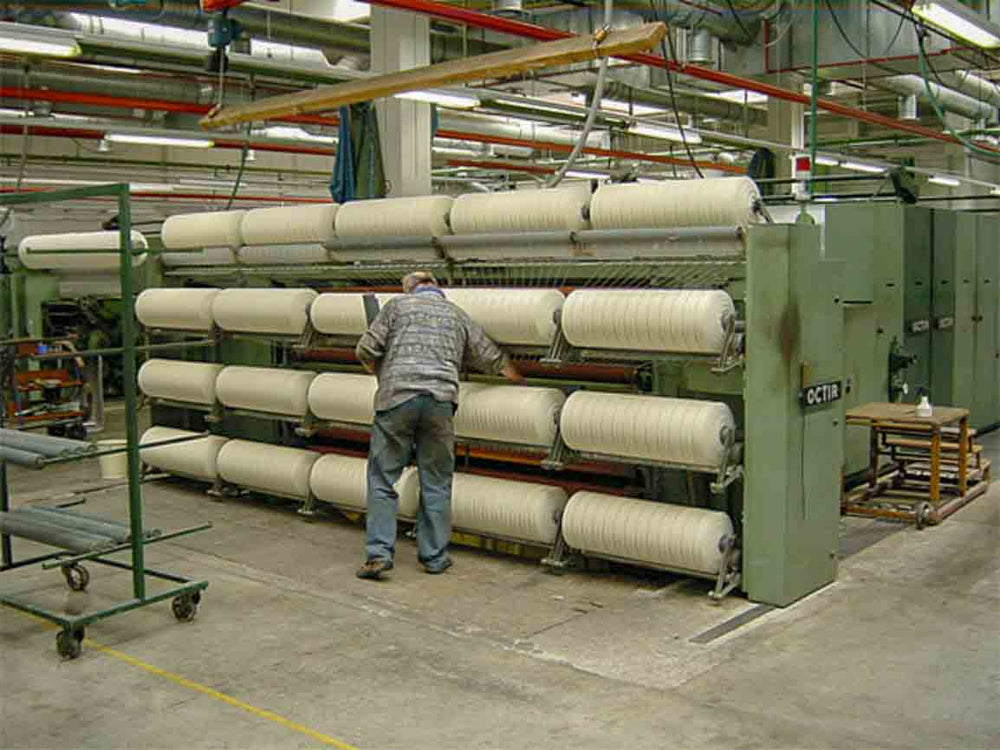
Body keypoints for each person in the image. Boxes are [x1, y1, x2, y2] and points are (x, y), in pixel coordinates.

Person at [355, 271, 525, 580]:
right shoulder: (457, 315)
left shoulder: (396, 307)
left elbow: (365, 349)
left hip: (397, 401)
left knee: (382, 479)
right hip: (439, 404)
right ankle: (434, 557)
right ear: (437, 289)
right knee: (436, 481)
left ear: (410, 290)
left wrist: (379, 373)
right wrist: (523, 383)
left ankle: (379, 555)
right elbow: (492, 357)